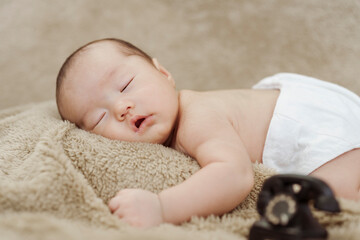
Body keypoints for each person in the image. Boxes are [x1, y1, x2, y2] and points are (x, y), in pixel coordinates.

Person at [56, 38, 360, 228]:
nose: (122, 106)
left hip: (315, 125)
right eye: (99, 118)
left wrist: (162, 207)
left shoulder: (197, 117)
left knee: (324, 201)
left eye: (125, 85)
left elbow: (234, 175)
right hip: (309, 107)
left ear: (164, 74)